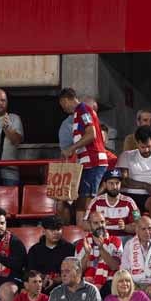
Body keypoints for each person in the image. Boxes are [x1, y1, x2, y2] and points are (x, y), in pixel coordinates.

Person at [58, 89, 109, 217]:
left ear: (65, 100)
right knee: (82, 199)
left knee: (88, 200)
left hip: (93, 161)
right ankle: (82, 228)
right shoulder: (79, 113)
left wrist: (72, 148)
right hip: (88, 162)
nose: (63, 109)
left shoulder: (82, 109)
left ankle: (89, 230)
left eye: (62, 105)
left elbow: (91, 134)